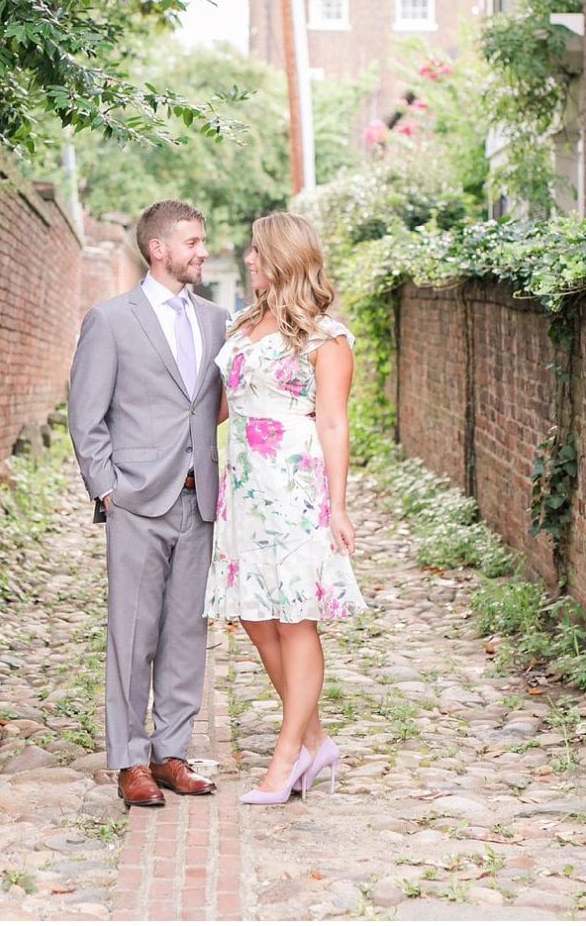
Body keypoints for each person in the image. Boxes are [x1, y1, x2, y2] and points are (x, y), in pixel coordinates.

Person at [67, 200, 229, 808]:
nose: (202, 251)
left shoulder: (217, 320)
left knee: (187, 630)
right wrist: (109, 489)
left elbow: (212, 402)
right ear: (159, 249)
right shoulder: (110, 321)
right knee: (132, 634)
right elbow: (86, 415)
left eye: (202, 240)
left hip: (198, 498)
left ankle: (171, 754)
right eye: (192, 241)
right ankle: (129, 760)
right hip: (137, 500)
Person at [205, 211, 367, 805]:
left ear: (284, 257)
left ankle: (287, 756)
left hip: (296, 489)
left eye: (256, 251)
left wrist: (339, 506)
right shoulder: (245, 325)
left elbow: (332, 421)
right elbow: (224, 408)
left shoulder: (327, 337)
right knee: (253, 614)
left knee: (296, 616)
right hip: (244, 487)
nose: (248, 259)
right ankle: (316, 739)